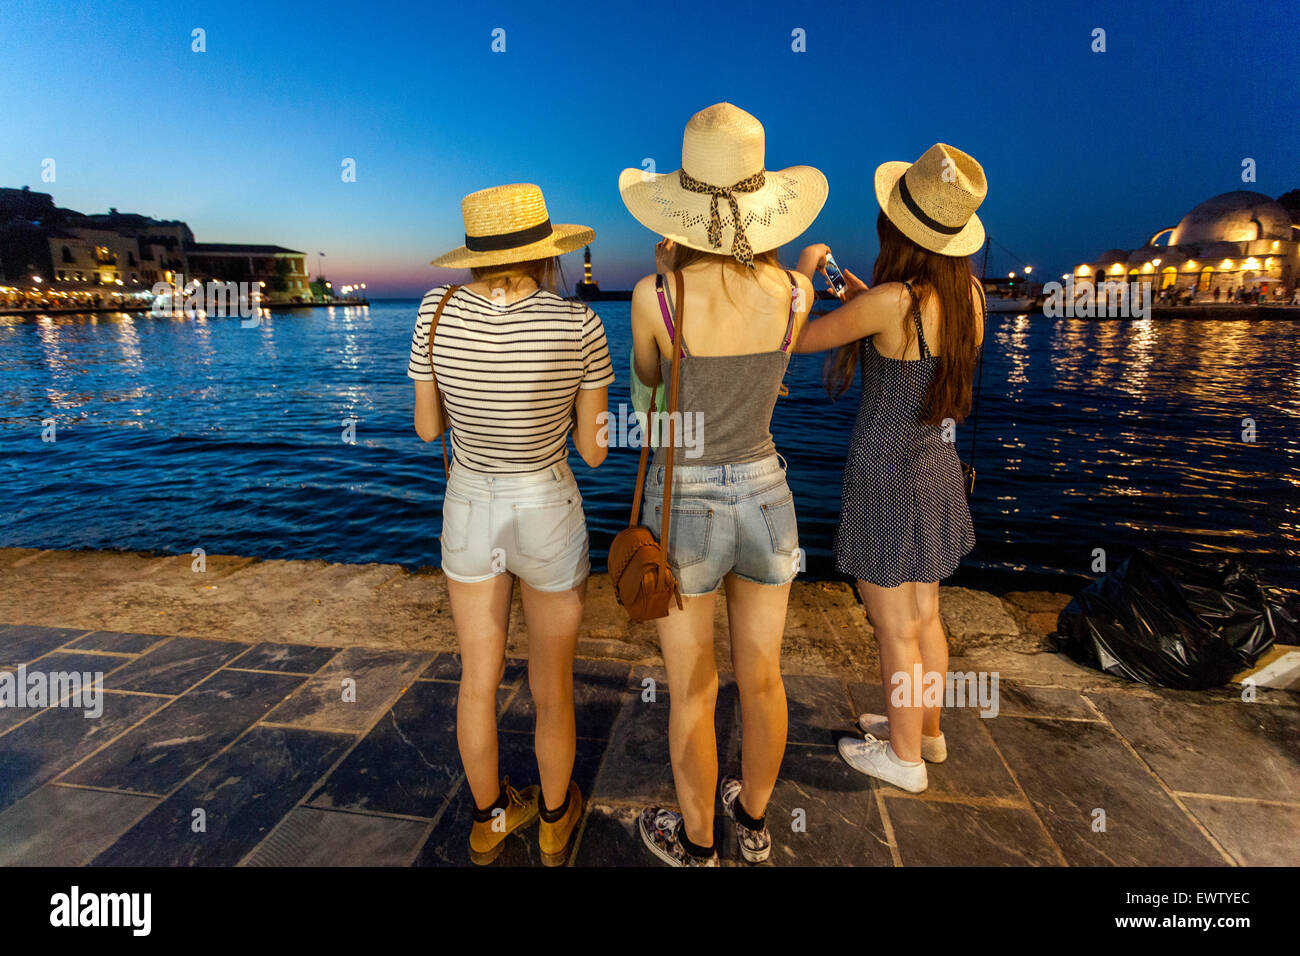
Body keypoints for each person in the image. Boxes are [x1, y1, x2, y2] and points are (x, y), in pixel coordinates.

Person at [617, 103, 823, 865]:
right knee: (763, 678)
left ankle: (698, 844)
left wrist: (670, 281)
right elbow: (770, 368)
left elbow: (647, 391)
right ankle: (756, 821)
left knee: (694, 691)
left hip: (688, 499)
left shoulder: (655, 296)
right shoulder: (794, 297)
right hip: (770, 496)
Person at [407, 183, 614, 865]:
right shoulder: (578, 325)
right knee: (551, 684)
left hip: (470, 505)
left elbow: (426, 427)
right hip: (547, 506)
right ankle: (555, 821)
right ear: (547, 251)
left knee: (478, 676)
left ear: (473, 253)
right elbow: (592, 450)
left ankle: (489, 820)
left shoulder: (434, 314)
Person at [793, 143, 987, 794]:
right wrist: (863, 296)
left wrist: (802, 274)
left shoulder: (893, 303)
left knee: (893, 628)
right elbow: (900, 327)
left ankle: (902, 761)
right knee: (926, 617)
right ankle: (925, 731)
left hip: (885, 479)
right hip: (936, 472)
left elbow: (799, 339)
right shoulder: (971, 299)